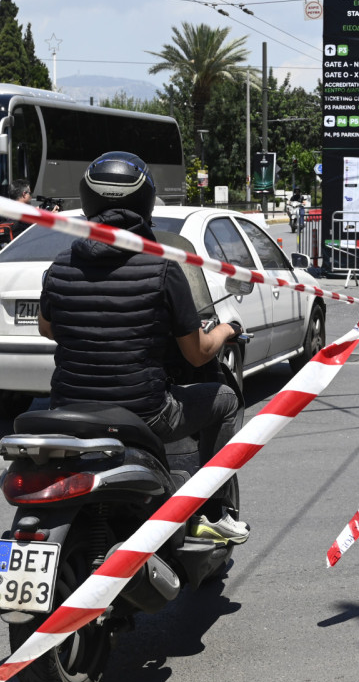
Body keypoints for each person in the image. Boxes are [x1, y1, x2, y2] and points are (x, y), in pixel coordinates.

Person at [38, 152, 249, 543]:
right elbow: (198, 354)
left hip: (66, 410)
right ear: (145, 202)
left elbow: (47, 328)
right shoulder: (163, 267)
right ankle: (213, 509)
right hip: (145, 414)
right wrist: (226, 330)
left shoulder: (61, 264)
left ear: (88, 200)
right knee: (225, 399)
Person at [0, 179, 32, 247]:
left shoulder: (3, 211)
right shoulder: (27, 213)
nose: (31, 196)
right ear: (24, 194)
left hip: (8, 250)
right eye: (30, 193)